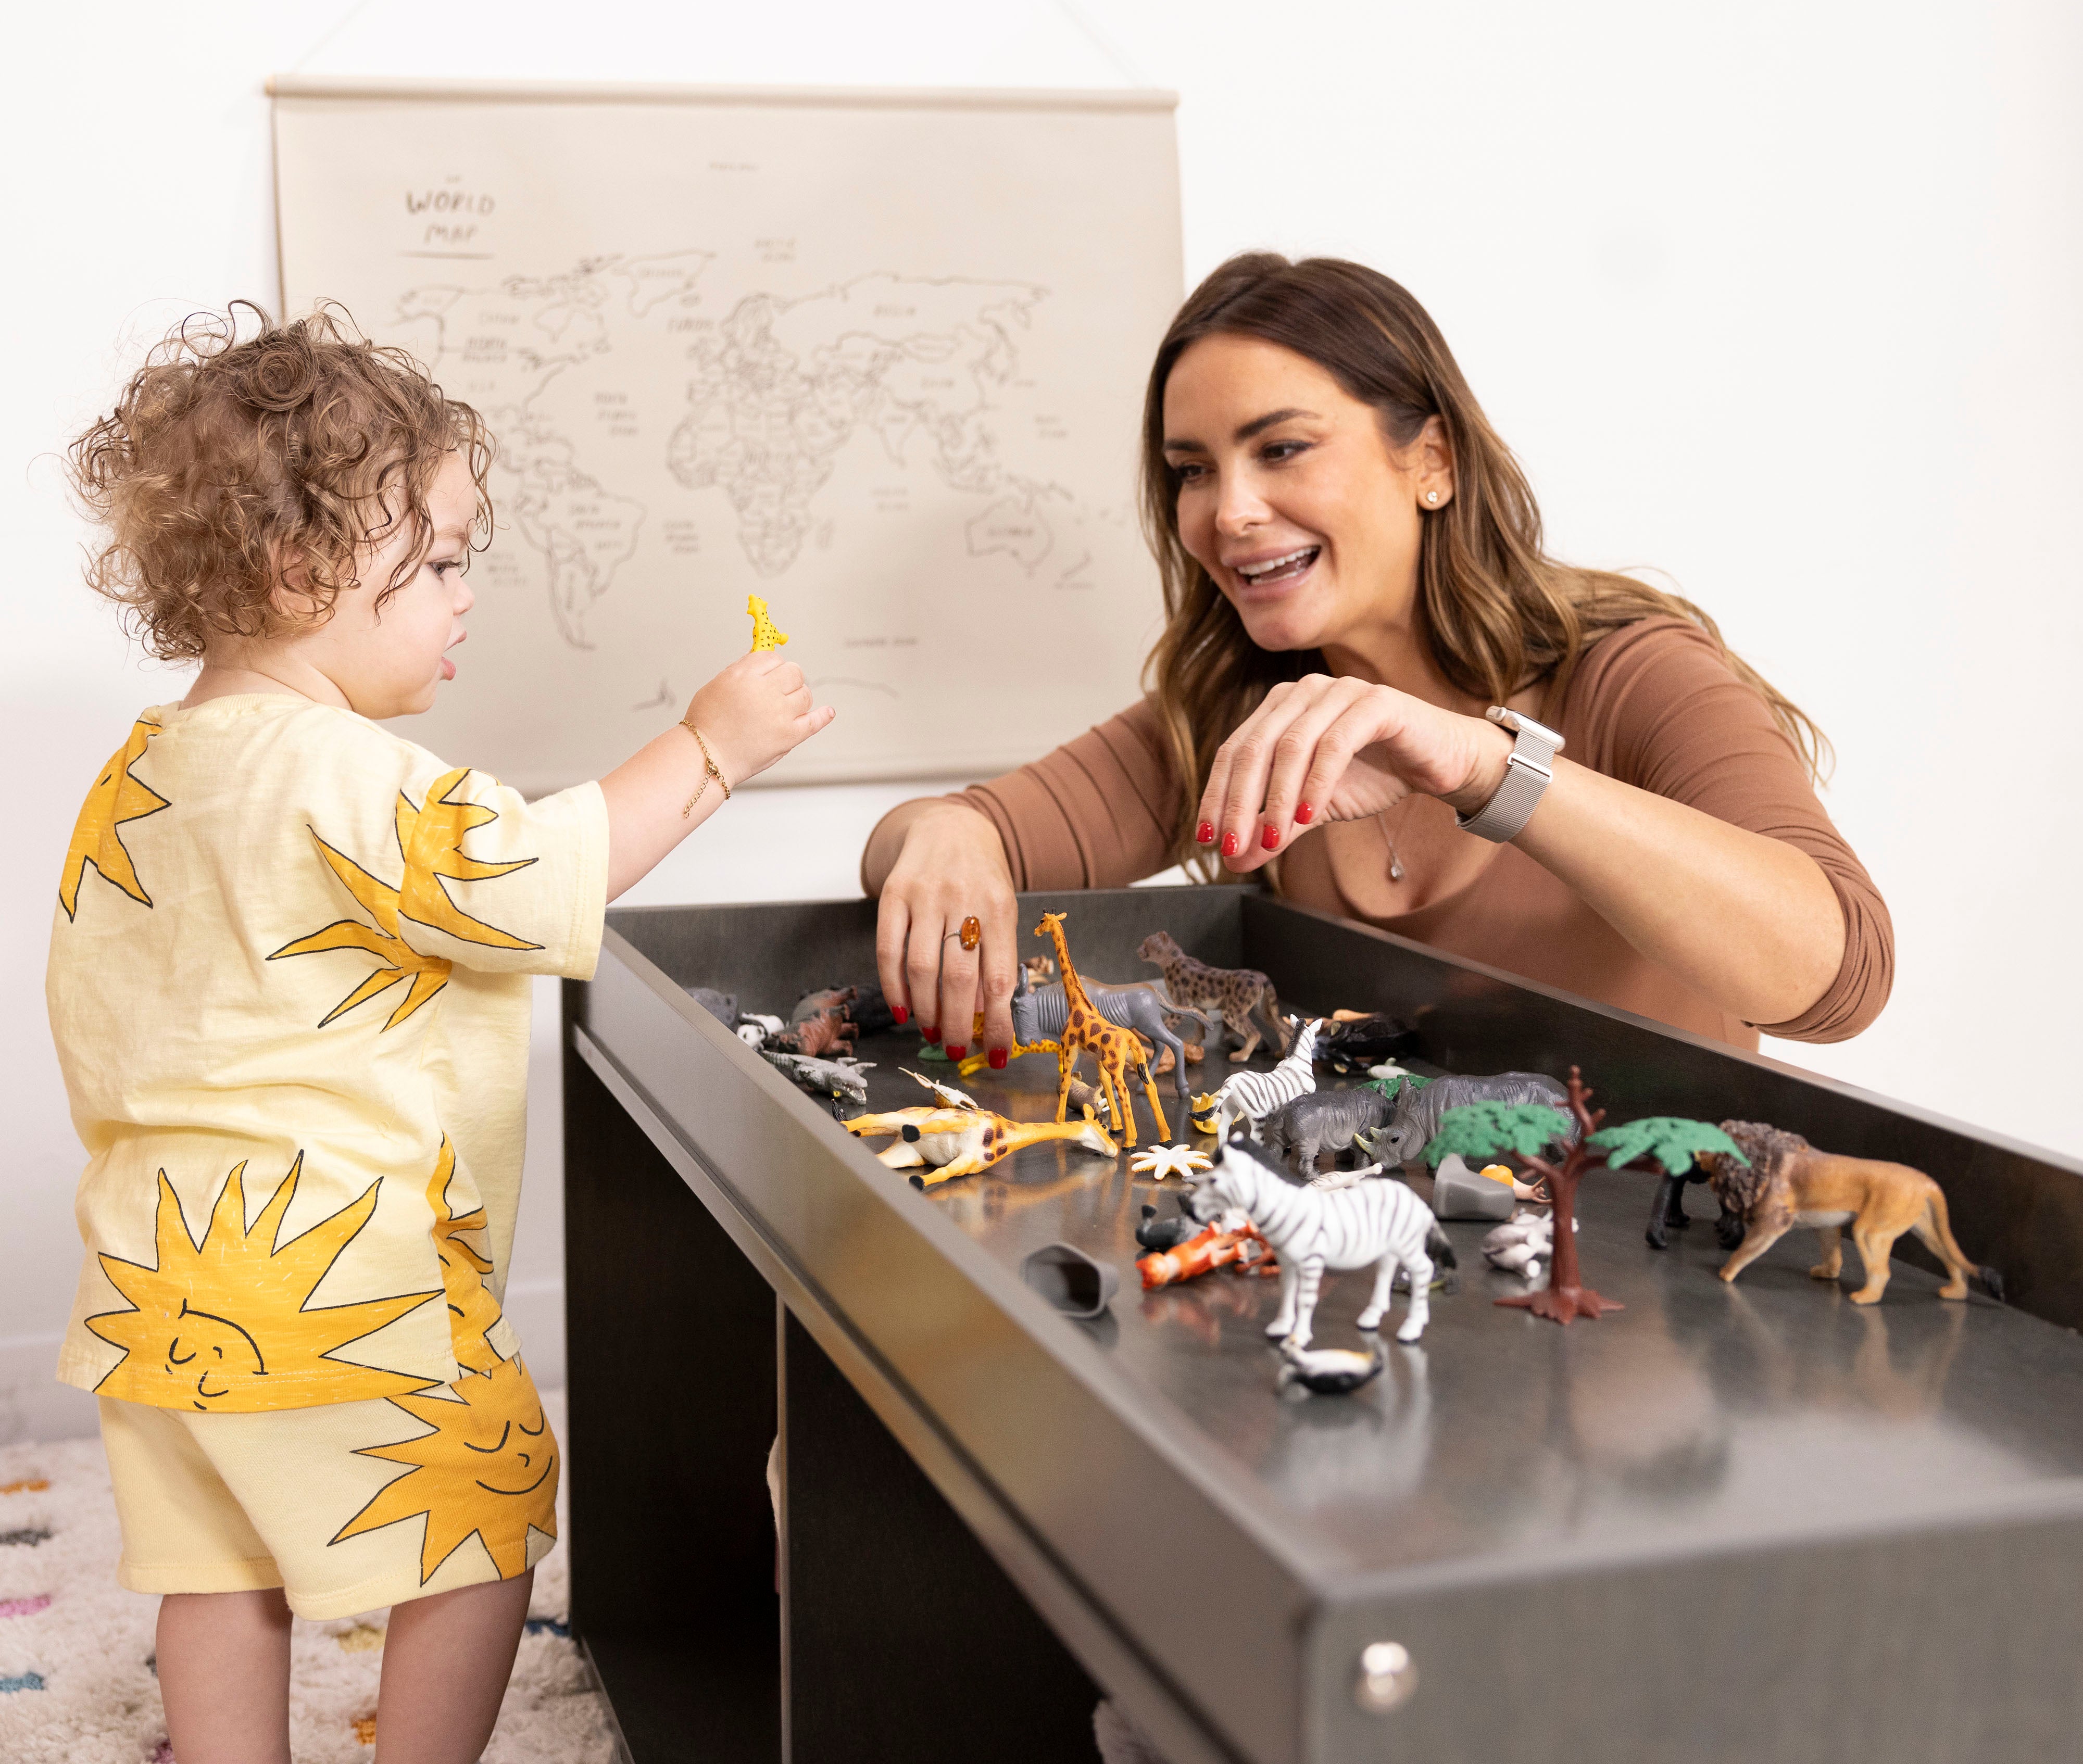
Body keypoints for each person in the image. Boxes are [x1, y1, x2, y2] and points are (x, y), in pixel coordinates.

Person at [50, 307, 832, 1764]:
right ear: (301, 572)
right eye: (443, 565)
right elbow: (535, 880)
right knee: (478, 1529)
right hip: (340, 1276)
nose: (469, 597)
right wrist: (713, 746)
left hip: (153, 1271)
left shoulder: (139, 777)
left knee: (217, 1565)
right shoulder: (346, 775)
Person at [866, 253, 1890, 1066]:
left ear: (1431, 463)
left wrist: (1484, 767)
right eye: (1192, 471)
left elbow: (1838, 980)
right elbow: (919, 843)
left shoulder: (1626, 670)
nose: (1227, 513)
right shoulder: (1240, 713)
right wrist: (954, 832)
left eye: (1280, 449)